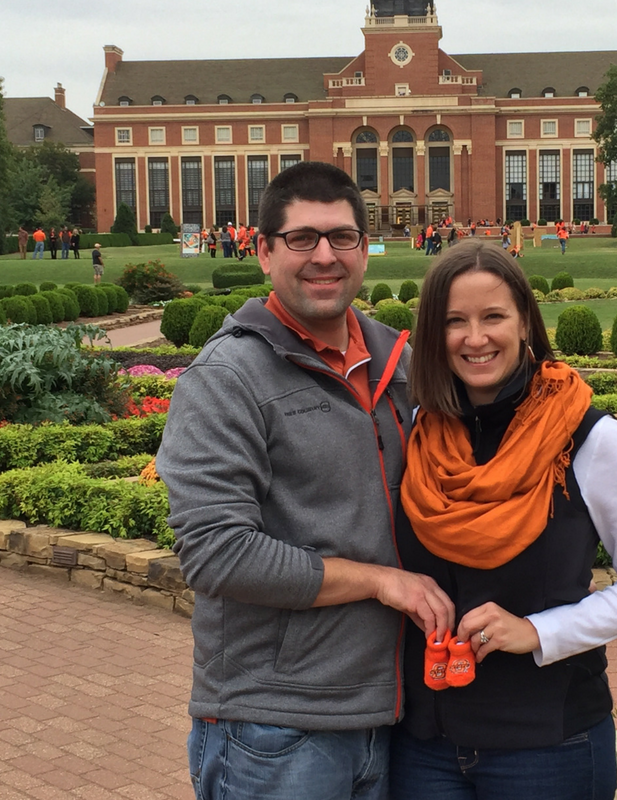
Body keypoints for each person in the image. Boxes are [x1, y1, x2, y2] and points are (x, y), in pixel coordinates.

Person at [156, 161, 454, 800]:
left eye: (342, 238)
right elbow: (217, 555)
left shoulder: (398, 365)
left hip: (390, 710)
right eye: (302, 239)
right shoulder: (226, 379)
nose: (326, 256)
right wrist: (381, 581)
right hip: (274, 725)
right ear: (264, 252)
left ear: (364, 248)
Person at [389, 241, 617, 800]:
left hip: (549, 749)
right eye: (455, 321)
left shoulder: (589, 440)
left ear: (525, 321)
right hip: (424, 746)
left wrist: (539, 631)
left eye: (493, 316)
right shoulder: (417, 432)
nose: (475, 339)